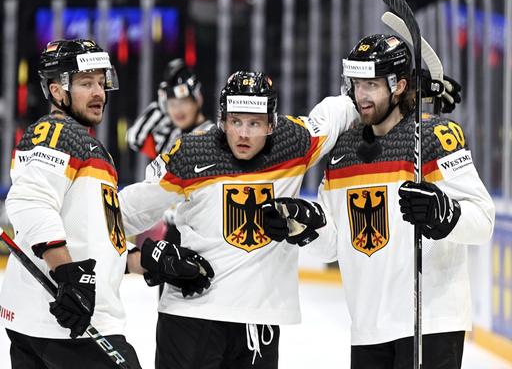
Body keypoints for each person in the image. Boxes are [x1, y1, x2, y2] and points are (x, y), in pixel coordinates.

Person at [270, 34, 495, 368]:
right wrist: (305, 228)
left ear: (399, 85)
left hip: (429, 324)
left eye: (371, 85)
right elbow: (333, 247)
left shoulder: (435, 137)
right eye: (356, 84)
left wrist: (443, 215)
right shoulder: (343, 151)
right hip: (367, 328)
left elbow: (483, 222)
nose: (361, 96)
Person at [119, 70, 359, 368]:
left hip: (258, 324)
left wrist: (402, 91)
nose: (243, 134)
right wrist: (134, 257)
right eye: (235, 122)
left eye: (254, 123)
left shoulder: (296, 142)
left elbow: (343, 108)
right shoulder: (192, 153)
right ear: (222, 120)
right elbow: (121, 214)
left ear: (272, 123)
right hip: (191, 319)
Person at [0, 39, 211, 369]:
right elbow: (30, 201)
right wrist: (68, 275)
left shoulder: (86, 146)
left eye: (101, 82)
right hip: (70, 325)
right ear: (57, 91)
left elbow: (97, 238)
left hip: (51, 323)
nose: (99, 92)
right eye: (86, 83)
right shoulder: (54, 132)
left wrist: (149, 262)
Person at [127, 58, 214, 245]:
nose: (177, 109)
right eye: (172, 103)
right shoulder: (171, 135)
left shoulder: (212, 135)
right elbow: (135, 137)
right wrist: (161, 104)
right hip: (172, 232)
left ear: (198, 100)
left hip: (199, 231)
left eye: (184, 102)